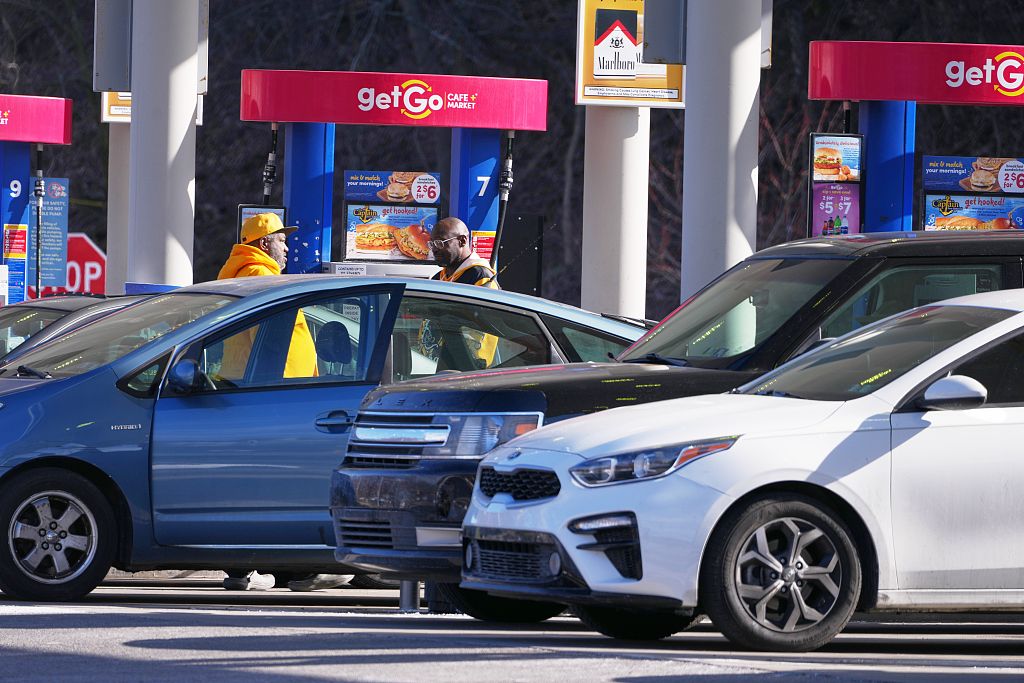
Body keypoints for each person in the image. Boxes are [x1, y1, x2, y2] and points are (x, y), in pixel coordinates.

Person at [216, 212, 351, 593]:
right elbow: (279, 345)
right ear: (263, 243)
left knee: (248, 484)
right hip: (278, 397)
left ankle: (242, 569)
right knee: (284, 484)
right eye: (281, 239)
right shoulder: (262, 278)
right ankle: (303, 566)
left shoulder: (238, 275)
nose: (288, 246)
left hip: (245, 393)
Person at [428, 217, 498, 288]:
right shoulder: (438, 278)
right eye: (432, 243)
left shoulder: (481, 277)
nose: (434, 249)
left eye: (440, 243)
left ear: (462, 241)